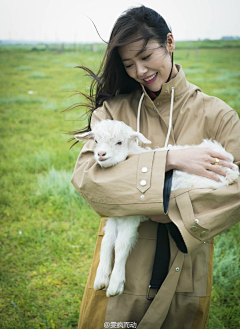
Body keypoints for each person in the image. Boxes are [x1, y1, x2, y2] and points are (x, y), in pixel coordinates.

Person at [71, 6, 240, 329]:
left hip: (186, 261)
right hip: (120, 263)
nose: (139, 71)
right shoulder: (112, 111)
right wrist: (170, 160)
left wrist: (167, 210)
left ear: (170, 43)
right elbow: (89, 180)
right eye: (129, 64)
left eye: (147, 56)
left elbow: (235, 190)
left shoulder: (219, 116)